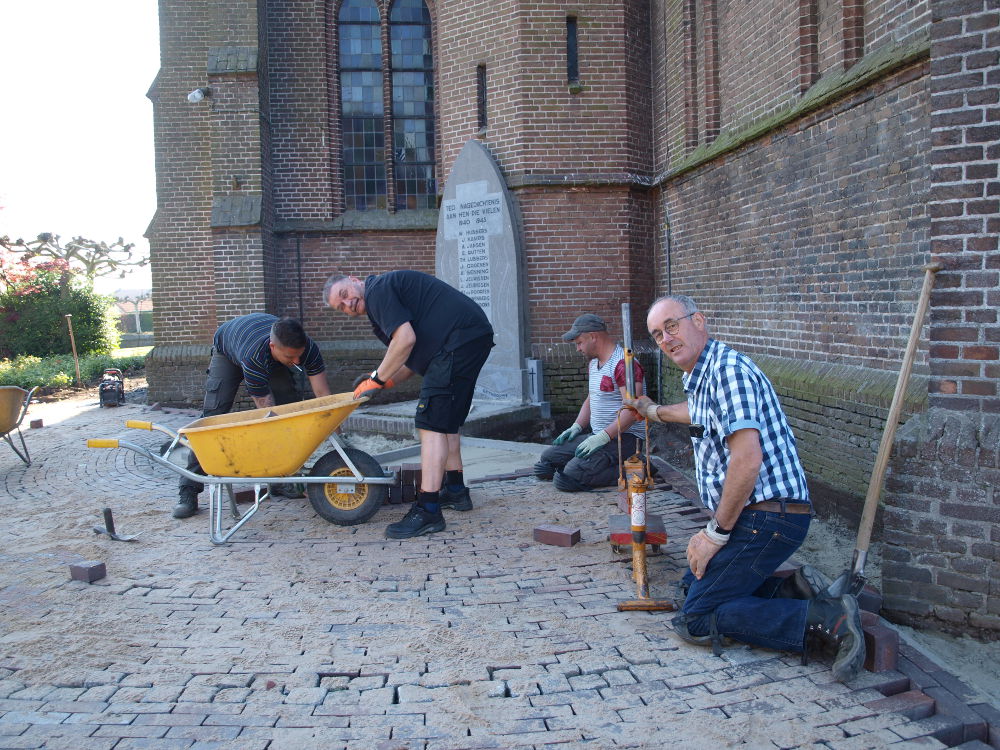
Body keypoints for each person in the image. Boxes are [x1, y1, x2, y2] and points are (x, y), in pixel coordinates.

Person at [623, 294, 865, 682]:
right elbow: (696, 410)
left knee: (696, 618)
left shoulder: (727, 372)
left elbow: (747, 461)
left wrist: (714, 534)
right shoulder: (704, 375)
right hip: (760, 517)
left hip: (768, 518)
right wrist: (653, 410)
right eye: (657, 334)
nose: (666, 339)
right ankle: (794, 590)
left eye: (672, 326)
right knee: (691, 585)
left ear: (698, 320)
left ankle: (826, 620)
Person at [323, 270, 494, 539]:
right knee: (445, 421)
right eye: (340, 307)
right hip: (468, 337)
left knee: (430, 424)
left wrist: (376, 379)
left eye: (344, 295)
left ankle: (428, 510)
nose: (347, 305)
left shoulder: (378, 290)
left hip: (458, 341)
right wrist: (386, 383)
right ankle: (456, 491)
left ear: (355, 280)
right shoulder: (382, 308)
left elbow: (405, 341)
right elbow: (409, 359)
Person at [174, 314, 331, 519]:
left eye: (299, 356)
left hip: (264, 349)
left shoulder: (307, 349)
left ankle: (280, 482)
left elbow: (323, 395)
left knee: (289, 406)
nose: (297, 361)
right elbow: (267, 416)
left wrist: (338, 434)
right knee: (213, 416)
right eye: (291, 358)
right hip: (228, 349)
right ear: (273, 346)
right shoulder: (254, 357)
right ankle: (188, 491)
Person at [533, 313, 647, 491]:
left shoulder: (624, 364)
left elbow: (634, 410)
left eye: (579, 342)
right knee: (547, 462)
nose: (578, 348)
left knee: (568, 478)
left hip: (624, 438)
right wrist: (577, 426)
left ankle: (639, 468)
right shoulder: (594, 364)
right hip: (599, 435)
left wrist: (604, 437)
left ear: (593, 336)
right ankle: (592, 465)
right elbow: (591, 397)